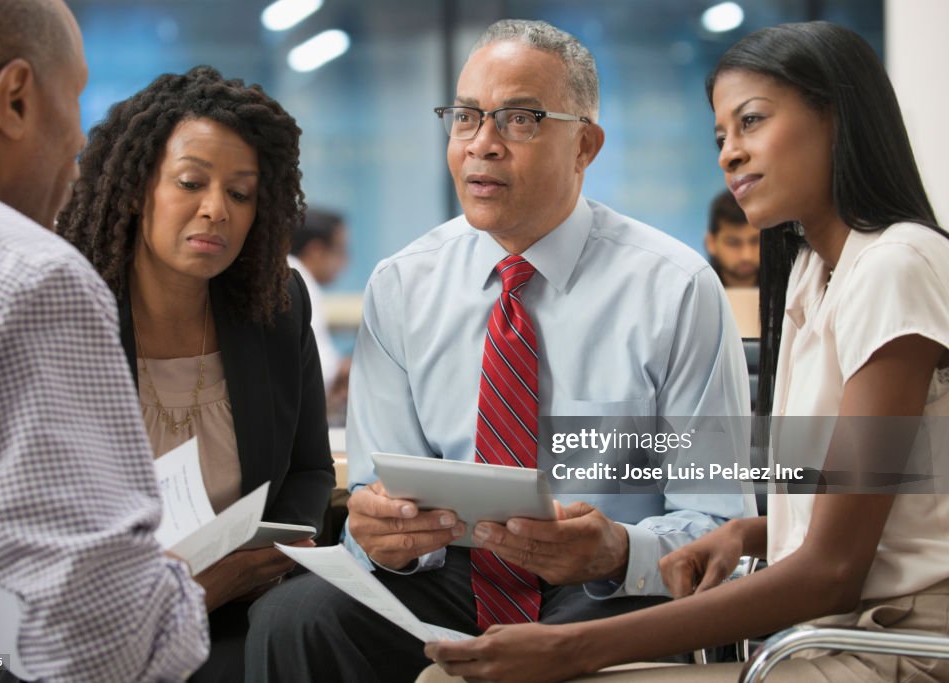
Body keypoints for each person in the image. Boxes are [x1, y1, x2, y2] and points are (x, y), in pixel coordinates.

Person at [421, 20, 949, 683]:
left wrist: (573, 648)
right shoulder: (816, 274)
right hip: (823, 637)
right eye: (721, 136)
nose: (730, 154)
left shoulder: (896, 264)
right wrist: (748, 534)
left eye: (752, 122)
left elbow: (834, 570)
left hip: (893, 647)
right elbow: (875, 504)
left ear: (837, 119)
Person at [247, 19, 752, 682]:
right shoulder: (403, 284)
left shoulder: (674, 287)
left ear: (585, 146)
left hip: (609, 590)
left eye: (518, 119)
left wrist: (616, 549)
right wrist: (383, 531)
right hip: (450, 576)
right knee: (294, 618)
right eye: (464, 118)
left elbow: (720, 518)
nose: (482, 144)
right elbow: (380, 488)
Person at [0, 0, 209, 680]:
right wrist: (167, 589)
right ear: (16, 98)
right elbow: (100, 643)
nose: (81, 140)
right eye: (75, 97)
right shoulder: (21, 273)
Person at [56, 66, 335, 683]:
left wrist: (264, 559)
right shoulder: (66, 310)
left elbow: (312, 468)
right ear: (135, 188)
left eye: (240, 193)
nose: (216, 210)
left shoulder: (276, 305)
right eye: (191, 182)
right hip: (87, 622)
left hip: (238, 614)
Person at [288, 208, 351, 396]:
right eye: (341, 250)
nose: (345, 261)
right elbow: (319, 371)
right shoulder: (297, 283)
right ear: (316, 251)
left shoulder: (288, 273)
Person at [705, 189, 760, 288]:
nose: (747, 256)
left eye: (756, 241)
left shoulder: (790, 291)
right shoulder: (695, 294)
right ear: (711, 243)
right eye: (733, 243)